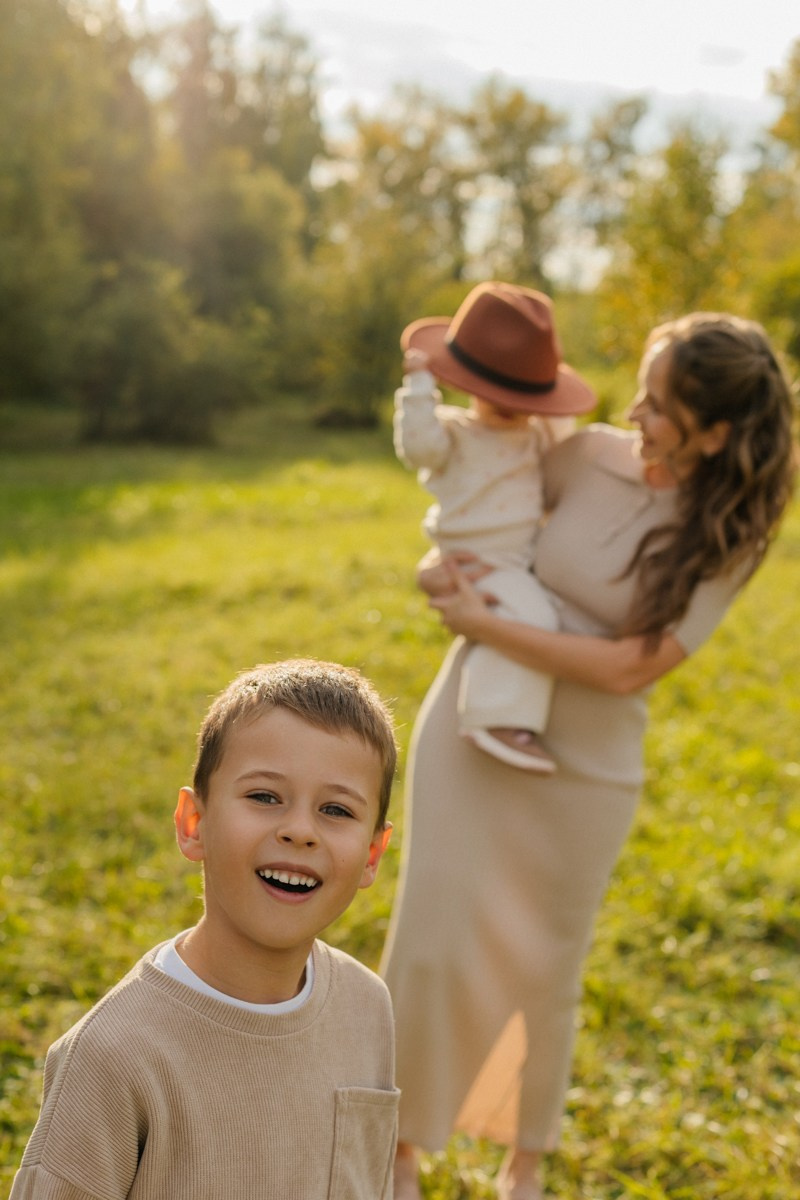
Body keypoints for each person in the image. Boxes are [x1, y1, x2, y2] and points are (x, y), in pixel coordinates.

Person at [381, 313, 796, 1199]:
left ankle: (521, 1157)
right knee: (432, 935)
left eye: (659, 402)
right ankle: (401, 1149)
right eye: (642, 390)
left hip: (592, 760)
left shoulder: (729, 529)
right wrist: (441, 572)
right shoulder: (577, 456)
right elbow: (476, 517)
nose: (634, 411)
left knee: (546, 959)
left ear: (715, 433)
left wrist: (488, 623)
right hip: (474, 718)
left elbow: (632, 667)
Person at [12, 658, 400, 1200]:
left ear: (372, 856)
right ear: (194, 823)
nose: (299, 831)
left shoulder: (367, 1006)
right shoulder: (113, 1057)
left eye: (336, 809)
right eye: (265, 797)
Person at [394, 281, 596, 772]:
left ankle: (499, 710)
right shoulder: (454, 433)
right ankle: (494, 717)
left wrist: (546, 385)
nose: (504, 407)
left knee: (533, 613)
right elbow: (416, 447)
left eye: (520, 395)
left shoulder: (535, 435)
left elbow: (564, 440)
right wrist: (420, 389)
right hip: (475, 557)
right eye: (492, 393)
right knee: (533, 620)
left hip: (516, 557)